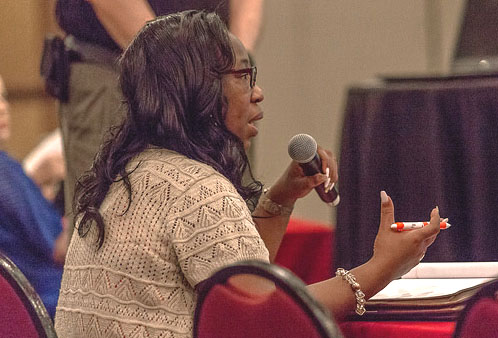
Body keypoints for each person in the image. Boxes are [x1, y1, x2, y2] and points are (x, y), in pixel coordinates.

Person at [54, 11, 441, 337]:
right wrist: (382, 267)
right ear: (198, 90)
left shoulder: (125, 174)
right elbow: (265, 318)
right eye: (242, 77)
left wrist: (282, 197)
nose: (258, 93)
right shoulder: (197, 189)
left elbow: (234, 282)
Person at [54, 0, 264, 236]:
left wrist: (234, 67)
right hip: (115, 69)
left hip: (211, 75)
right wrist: (181, 73)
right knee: (115, 227)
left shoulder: (226, 76)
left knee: (234, 222)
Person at [0, 75, 64, 318]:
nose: (3, 107)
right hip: (46, 304)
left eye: (4, 97)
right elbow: (59, 249)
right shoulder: (4, 170)